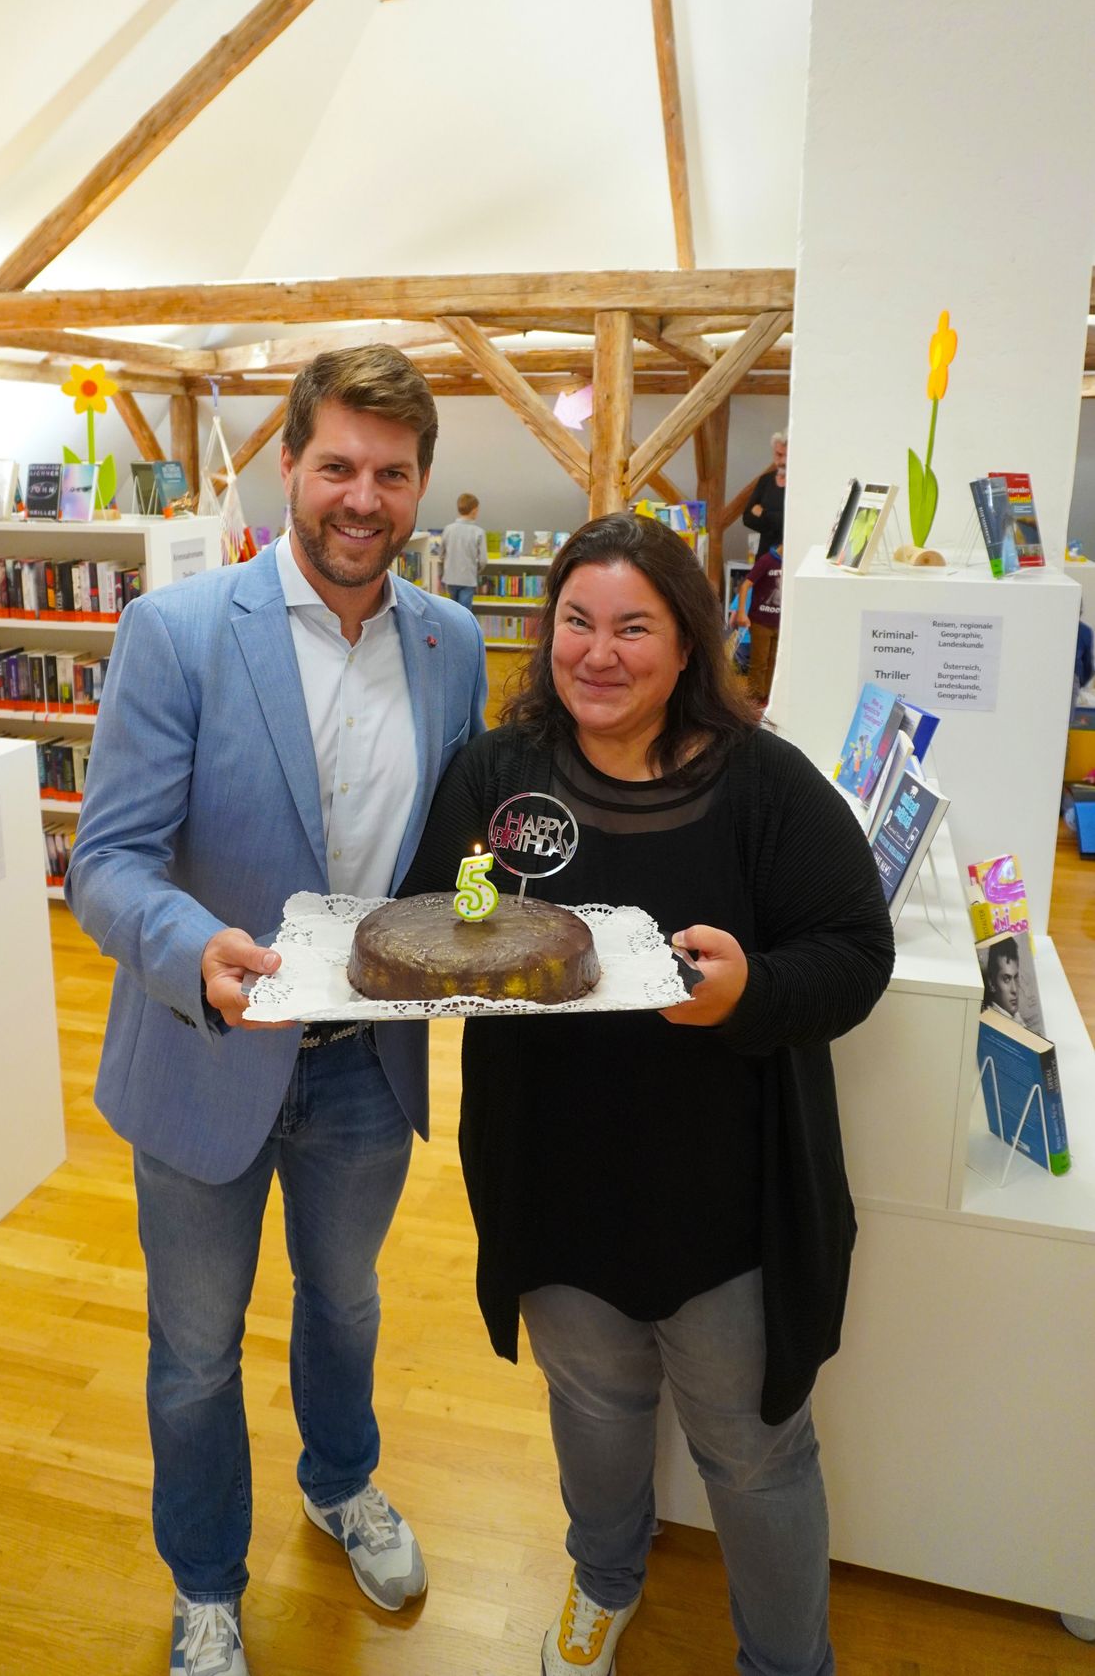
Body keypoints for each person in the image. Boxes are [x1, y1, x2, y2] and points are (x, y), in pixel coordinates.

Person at [401, 511, 894, 1676]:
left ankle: (788, 1661)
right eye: (577, 622)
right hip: (552, 1179)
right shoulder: (498, 771)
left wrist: (750, 994)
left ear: (687, 648)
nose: (600, 652)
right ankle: (605, 1577)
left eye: (635, 627)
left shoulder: (762, 784)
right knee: (596, 1404)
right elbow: (431, 912)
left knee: (755, 1451)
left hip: (722, 1207)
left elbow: (854, 949)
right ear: (547, 634)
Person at [66, 345, 487, 1676]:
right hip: (208, 1054)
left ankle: (339, 1478)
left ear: (420, 486)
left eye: (392, 472)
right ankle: (203, 1583)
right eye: (337, 466)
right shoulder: (179, 633)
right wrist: (194, 952)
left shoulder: (451, 642)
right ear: (287, 466)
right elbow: (107, 863)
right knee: (193, 1353)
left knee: (345, 1303)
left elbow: (446, 855)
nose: (362, 497)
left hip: (366, 1065)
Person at [734, 539, 783, 703]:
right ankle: (754, 698)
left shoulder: (792, 563)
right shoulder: (767, 561)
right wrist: (742, 612)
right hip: (761, 620)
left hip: (779, 621)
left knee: (774, 662)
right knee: (759, 661)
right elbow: (745, 585)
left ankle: (768, 697)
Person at [743, 429, 788, 556]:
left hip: (788, 557)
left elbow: (789, 522)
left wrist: (763, 513)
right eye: (779, 455)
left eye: (788, 456)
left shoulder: (798, 485)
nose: (783, 461)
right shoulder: (766, 480)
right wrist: (776, 522)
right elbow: (747, 518)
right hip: (765, 555)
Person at [440, 491, 488, 609]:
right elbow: (483, 560)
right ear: (474, 510)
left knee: (451, 610)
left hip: (450, 577)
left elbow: (441, 554)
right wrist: (475, 570)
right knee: (465, 612)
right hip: (468, 578)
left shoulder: (448, 529)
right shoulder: (478, 532)